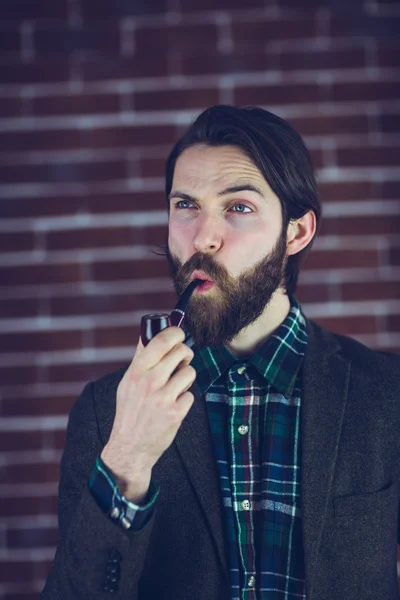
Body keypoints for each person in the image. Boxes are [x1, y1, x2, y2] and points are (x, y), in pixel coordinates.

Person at [42, 105, 400, 600]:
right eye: (185, 205)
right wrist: (127, 459)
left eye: (238, 207)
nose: (202, 238)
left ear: (296, 232)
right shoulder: (107, 413)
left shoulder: (386, 394)